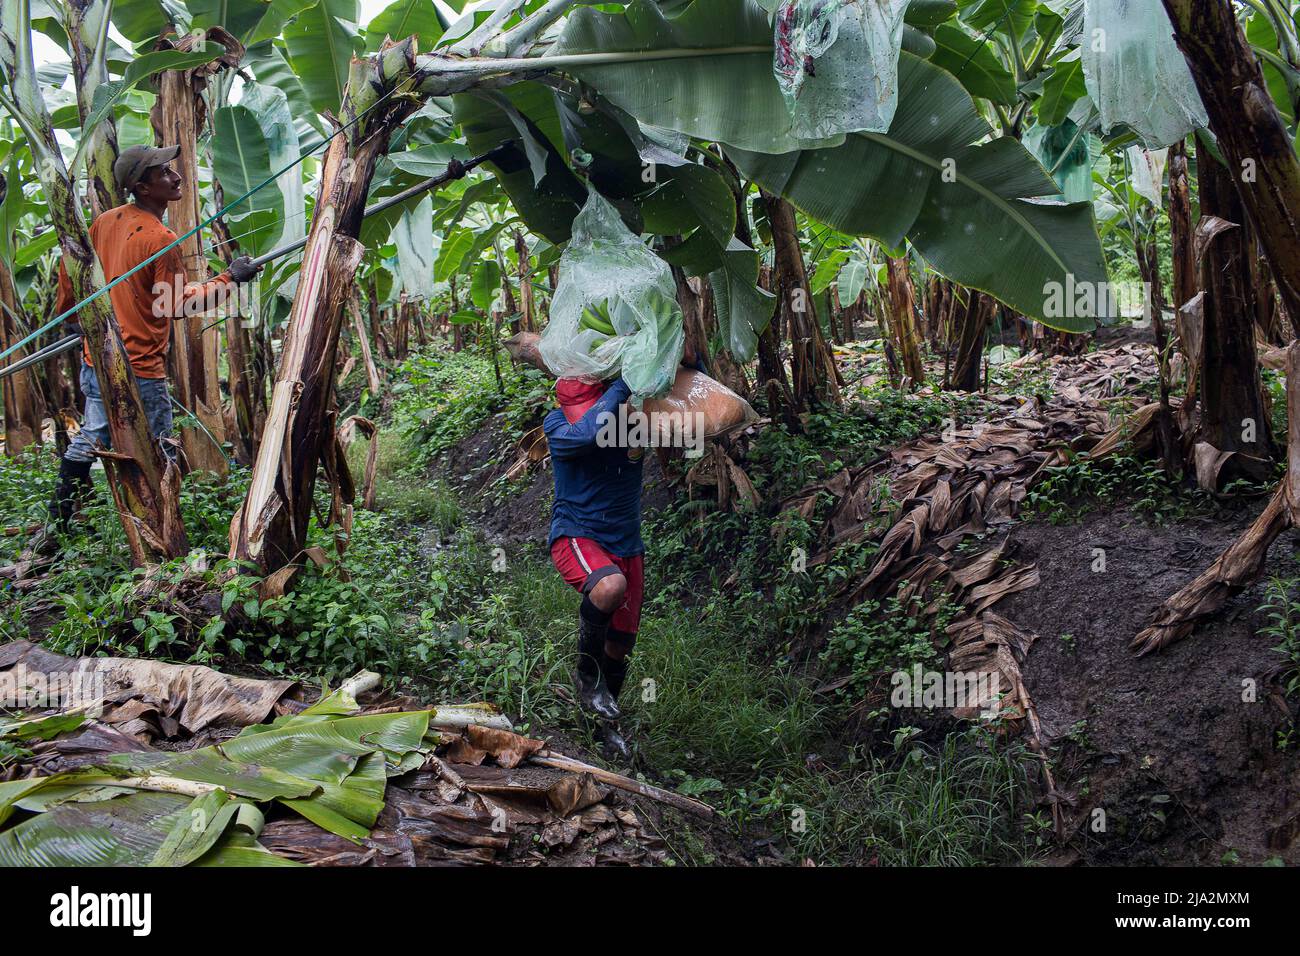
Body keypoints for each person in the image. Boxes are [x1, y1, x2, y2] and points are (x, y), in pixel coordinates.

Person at [41, 144, 260, 538]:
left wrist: (72, 317)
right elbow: (175, 305)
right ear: (142, 187)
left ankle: (57, 527)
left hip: (97, 360)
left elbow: (70, 270)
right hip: (139, 368)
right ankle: (165, 533)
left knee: (92, 436)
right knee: (161, 448)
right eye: (164, 173)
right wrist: (231, 280)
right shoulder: (160, 238)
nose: (176, 177)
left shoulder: (105, 222)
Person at [545, 375, 645, 744]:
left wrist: (678, 358)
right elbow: (590, 432)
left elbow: (689, 415)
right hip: (578, 535)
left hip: (628, 544)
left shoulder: (631, 419)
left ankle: (603, 722)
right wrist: (625, 382)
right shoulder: (558, 425)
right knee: (608, 586)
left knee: (620, 645)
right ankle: (587, 681)